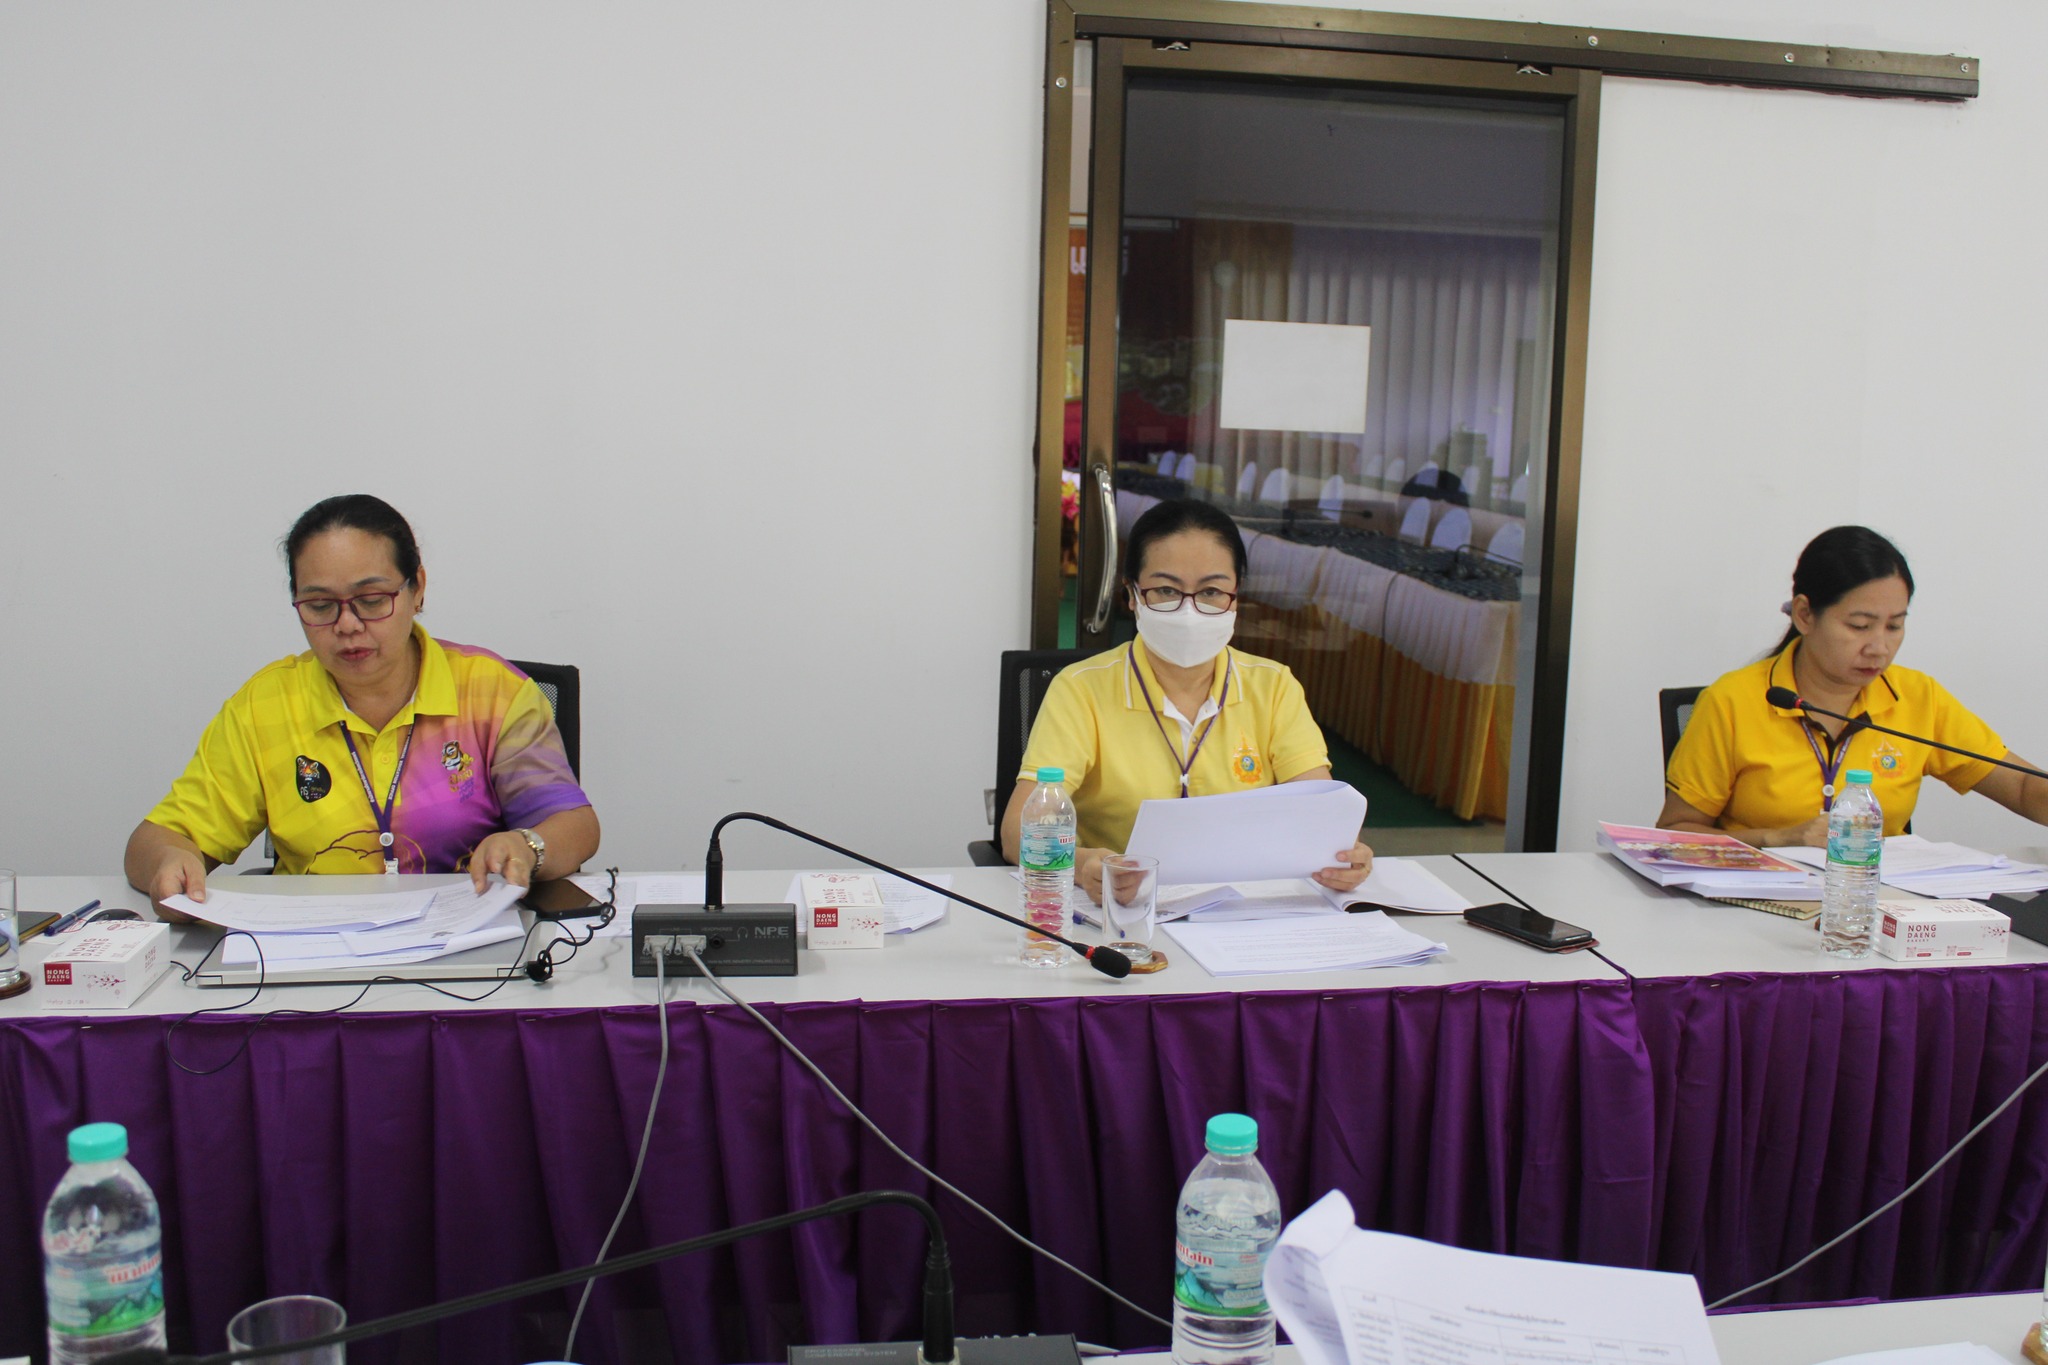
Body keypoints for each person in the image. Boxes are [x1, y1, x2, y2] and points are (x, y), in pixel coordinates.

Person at [126, 495, 601, 916]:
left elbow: (574, 826)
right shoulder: (265, 706)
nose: (347, 625)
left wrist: (528, 845)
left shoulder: (492, 692)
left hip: (469, 937)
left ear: (417, 588)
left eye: (372, 600)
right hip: (313, 949)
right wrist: (169, 860)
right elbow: (153, 841)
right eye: (320, 606)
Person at [1001, 498, 1373, 899]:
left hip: (1246, 907)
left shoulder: (1273, 686)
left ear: (1236, 597)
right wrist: (1083, 865)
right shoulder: (1081, 689)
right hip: (1124, 908)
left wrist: (1346, 857)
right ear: (1132, 594)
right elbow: (1015, 834)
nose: (1189, 610)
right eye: (1166, 590)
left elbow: (1323, 817)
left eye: (1211, 591)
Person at [1659, 525, 2048, 846]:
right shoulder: (1732, 701)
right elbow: (1674, 835)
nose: (1879, 647)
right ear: (1805, 614)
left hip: (1877, 900)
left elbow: (2022, 787)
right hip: (1750, 901)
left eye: (1894, 626)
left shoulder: (1918, 698)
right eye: (1859, 626)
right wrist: (1777, 838)